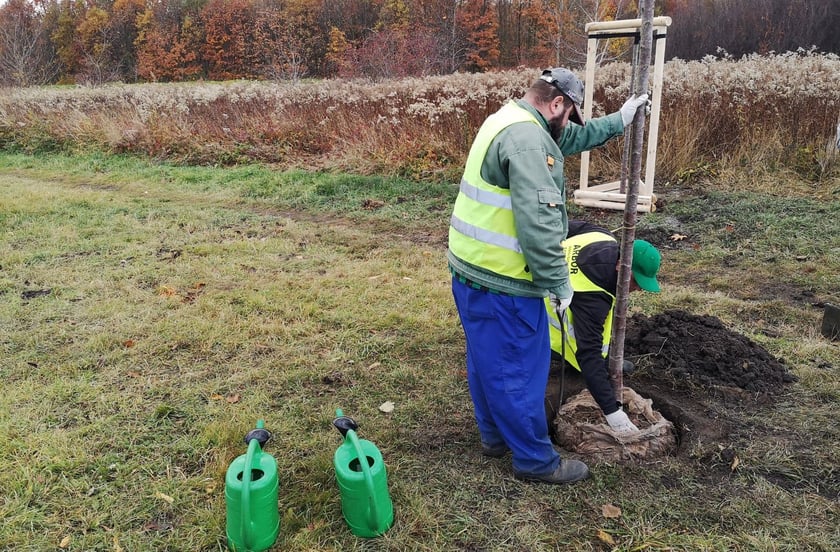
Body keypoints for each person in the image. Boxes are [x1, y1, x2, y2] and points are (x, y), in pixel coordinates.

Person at [447, 67, 649, 484]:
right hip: (504, 280)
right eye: (569, 113)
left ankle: (494, 438)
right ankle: (535, 461)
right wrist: (558, 283)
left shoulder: (511, 119)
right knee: (522, 369)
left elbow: (573, 138)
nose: (570, 124)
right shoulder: (527, 143)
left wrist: (621, 120)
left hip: (469, 268)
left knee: (486, 359)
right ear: (556, 104)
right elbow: (539, 223)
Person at [546, 220, 662, 434]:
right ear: (620, 265)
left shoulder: (601, 235)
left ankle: (603, 363)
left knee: (590, 347)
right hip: (541, 321)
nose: (638, 289)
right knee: (575, 349)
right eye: (636, 282)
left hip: (557, 291)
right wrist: (612, 411)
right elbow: (588, 352)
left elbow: (560, 226)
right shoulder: (593, 298)